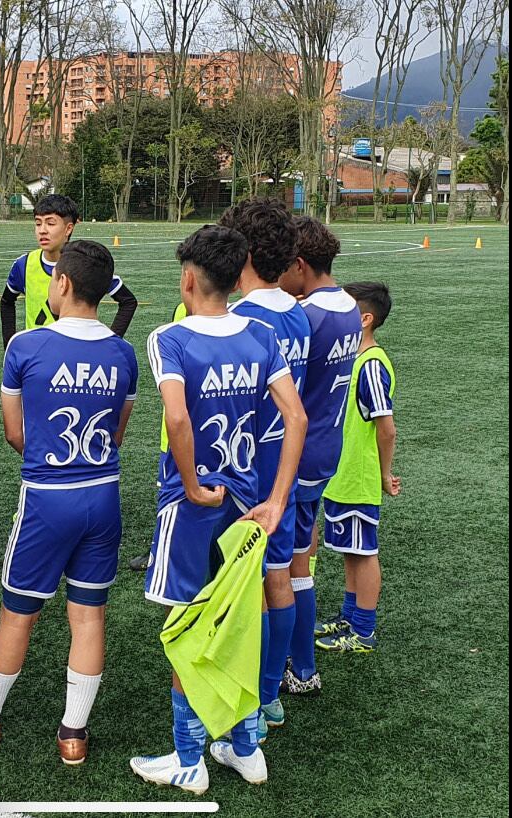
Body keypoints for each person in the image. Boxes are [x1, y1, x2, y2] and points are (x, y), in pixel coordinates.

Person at [129, 224, 306, 793]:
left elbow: (178, 417)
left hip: (191, 508)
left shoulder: (170, 338)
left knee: (186, 628)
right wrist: (277, 501)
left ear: (188, 279)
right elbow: (296, 417)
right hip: (249, 506)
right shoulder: (260, 335)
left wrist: (190, 484)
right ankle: (245, 747)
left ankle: (188, 758)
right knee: (239, 623)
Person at [0, 240, 138, 766]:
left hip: (46, 497)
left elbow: (15, 433)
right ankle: (73, 734)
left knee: (18, 614)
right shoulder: (122, 352)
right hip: (103, 495)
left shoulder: (25, 345)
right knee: (88, 617)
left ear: (62, 282)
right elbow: (118, 434)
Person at [219, 198, 311, 735]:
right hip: (285, 469)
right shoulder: (296, 312)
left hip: (247, 469)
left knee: (246, 586)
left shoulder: (240, 321)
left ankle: (247, 698)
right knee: (278, 574)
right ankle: (270, 694)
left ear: (245, 255)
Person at [278, 216, 363, 695]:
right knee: (300, 557)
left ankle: (298, 669)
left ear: (299, 264)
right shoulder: (348, 304)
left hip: (299, 451)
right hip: (327, 444)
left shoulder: (308, 316)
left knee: (288, 566)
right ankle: (301, 665)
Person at [315, 282, 399, 654]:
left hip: (358, 477)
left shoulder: (371, 365)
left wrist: (383, 474)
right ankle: (349, 618)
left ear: (364, 319)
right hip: (342, 474)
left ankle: (363, 631)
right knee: (351, 550)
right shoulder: (352, 358)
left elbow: (386, 427)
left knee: (363, 553)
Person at [0, 195, 138, 349]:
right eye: (38, 223)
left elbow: (128, 301)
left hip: (75, 354)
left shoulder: (84, 262)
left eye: (50, 223)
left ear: (68, 228)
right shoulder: (24, 265)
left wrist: (111, 342)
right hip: (36, 355)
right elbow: (6, 302)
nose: (42, 230)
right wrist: (9, 344)